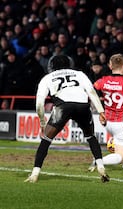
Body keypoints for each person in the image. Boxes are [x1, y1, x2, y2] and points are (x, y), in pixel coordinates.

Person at [25, 55, 109, 183]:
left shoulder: (47, 78)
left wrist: (43, 122)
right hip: (82, 106)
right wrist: (101, 111)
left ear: (51, 65)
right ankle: (101, 168)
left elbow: (39, 104)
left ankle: (35, 174)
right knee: (91, 137)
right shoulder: (79, 74)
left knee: (46, 140)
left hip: (63, 106)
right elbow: (91, 92)